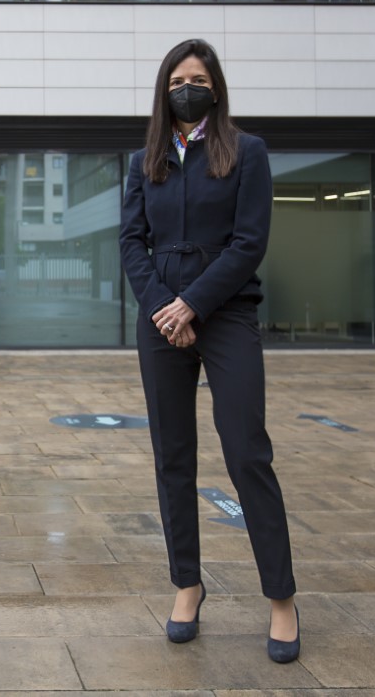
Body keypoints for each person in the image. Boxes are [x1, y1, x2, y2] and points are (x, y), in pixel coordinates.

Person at [118, 38, 299, 663]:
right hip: (159, 316)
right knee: (173, 457)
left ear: (215, 88)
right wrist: (163, 308)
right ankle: (187, 586)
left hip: (225, 313)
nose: (186, 89)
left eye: (196, 79)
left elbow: (249, 242)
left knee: (247, 451)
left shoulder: (247, 152)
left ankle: (281, 598)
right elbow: (131, 243)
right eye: (175, 81)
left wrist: (193, 304)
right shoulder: (146, 160)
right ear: (163, 91)